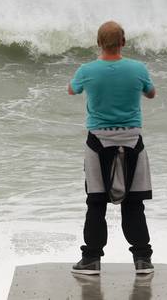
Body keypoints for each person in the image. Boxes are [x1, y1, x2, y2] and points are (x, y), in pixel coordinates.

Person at [69, 21, 156, 275]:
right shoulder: (137, 69)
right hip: (133, 142)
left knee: (96, 202)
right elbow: (151, 93)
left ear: (98, 43)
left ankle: (92, 259)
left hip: (98, 142)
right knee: (134, 203)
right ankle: (142, 259)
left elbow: (72, 90)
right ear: (123, 42)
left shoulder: (87, 70)